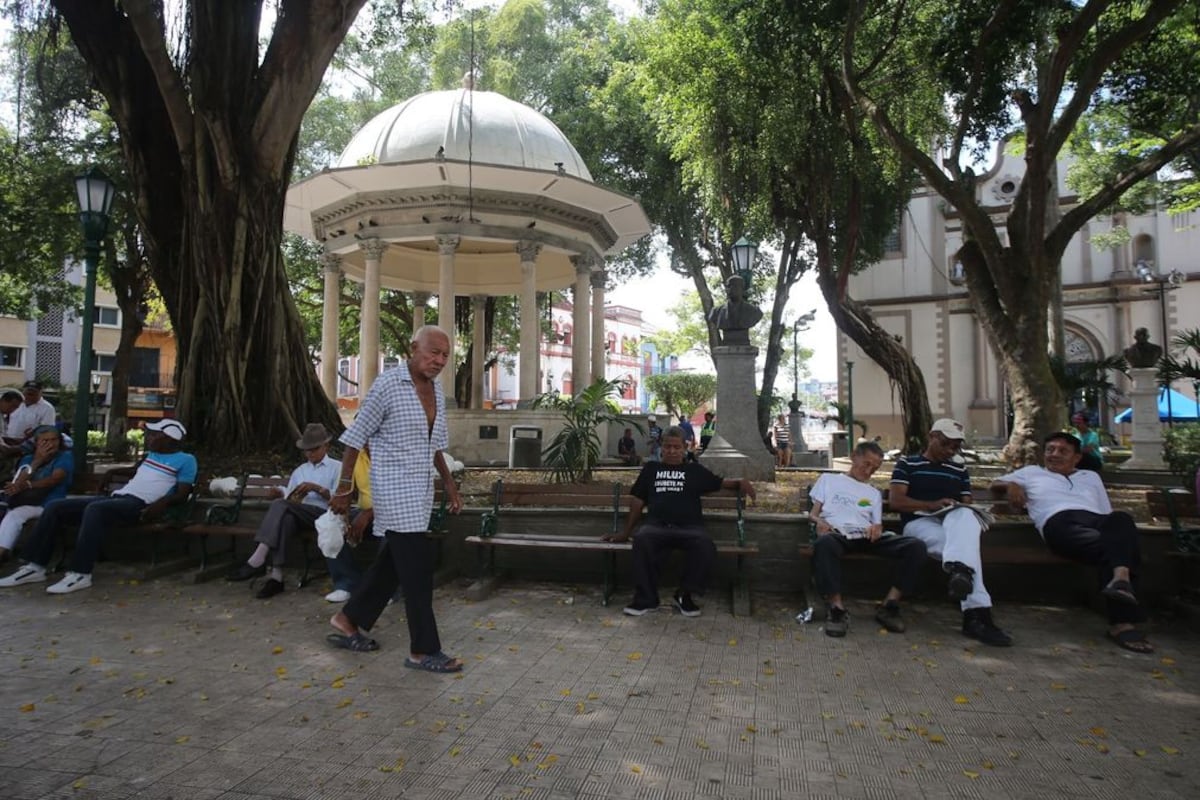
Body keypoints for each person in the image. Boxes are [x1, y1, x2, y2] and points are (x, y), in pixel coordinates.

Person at [326, 325, 464, 670]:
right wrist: (344, 487)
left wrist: (449, 484)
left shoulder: (436, 390)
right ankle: (423, 650)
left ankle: (348, 618)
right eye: (433, 352)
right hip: (393, 490)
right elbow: (354, 438)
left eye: (445, 355)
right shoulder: (387, 385)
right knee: (417, 571)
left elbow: (435, 445)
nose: (440, 360)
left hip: (420, 491)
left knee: (392, 564)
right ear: (413, 348)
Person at [991, 432, 1153, 653]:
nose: (1054, 454)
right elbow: (995, 483)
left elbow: (1106, 512)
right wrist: (1012, 485)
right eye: (1050, 450)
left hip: (1095, 521)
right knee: (1118, 550)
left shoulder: (1090, 476)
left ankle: (1120, 580)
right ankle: (1122, 619)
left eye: (1063, 451)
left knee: (1121, 520)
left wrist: (1113, 531)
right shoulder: (1031, 473)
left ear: (1077, 457)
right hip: (1060, 524)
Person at [0, 419, 195, 594]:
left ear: (170, 438)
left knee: (95, 510)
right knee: (56, 507)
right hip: (119, 499)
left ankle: (80, 573)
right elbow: (134, 471)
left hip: (140, 506)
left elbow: (182, 493)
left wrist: (162, 503)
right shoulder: (151, 455)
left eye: (154, 435)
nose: (148, 438)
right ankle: (35, 567)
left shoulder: (186, 460)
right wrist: (110, 473)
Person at [605, 426, 756, 617]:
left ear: (685, 448)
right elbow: (638, 501)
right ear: (661, 447)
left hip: (690, 528)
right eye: (667, 447)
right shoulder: (651, 469)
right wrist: (626, 532)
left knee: (705, 546)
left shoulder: (694, 470)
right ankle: (646, 598)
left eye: (676, 447)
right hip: (656, 527)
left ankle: (684, 595)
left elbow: (720, 483)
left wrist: (740, 482)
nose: (672, 451)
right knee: (641, 540)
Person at [888, 418, 1012, 646]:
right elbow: (896, 501)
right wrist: (931, 505)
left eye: (955, 446)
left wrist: (955, 506)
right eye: (945, 444)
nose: (950, 450)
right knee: (967, 553)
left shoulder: (959, 468)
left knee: (965, 515)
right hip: (919, 522)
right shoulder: (908, 463)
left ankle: (962, 577)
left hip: (953, 524)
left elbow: (967, 502)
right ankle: (979, 615)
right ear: (931, 437)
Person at [810, 441, 927, 637]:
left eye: (875, 468)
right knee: (824, 544)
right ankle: (836, 608)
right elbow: (813, 514)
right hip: (838, 534)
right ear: (854, 457)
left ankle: (889, 604)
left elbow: (877, 524)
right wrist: (820, 522)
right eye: (866, 464)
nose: (869, 471)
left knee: (916, 547)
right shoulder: (828, 480)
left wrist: (876, 528)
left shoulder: (873, 493)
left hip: (866, 536)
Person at [226, 422, 341, 599]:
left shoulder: (337, 467)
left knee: (281, 506)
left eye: (314, 449)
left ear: (326, 446)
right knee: (284, 520)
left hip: (324, 514)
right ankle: (276, 577)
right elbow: (290, 497)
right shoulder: (300, 471)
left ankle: (257, 558)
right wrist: (279, 492)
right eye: (307, 450)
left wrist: (317, 489)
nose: (310, 454)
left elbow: (340, 499)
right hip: (299, 514)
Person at [0, 426, 74, 564]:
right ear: (36, 442)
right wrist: (37, 461)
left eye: (54, 440)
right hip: (23, 501)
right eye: (45, 440)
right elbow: (18, 483)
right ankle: (5, 551)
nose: (50, 444)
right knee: (8, 512)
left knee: (15, 515)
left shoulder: (64, 457)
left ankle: (2, 552)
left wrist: (28, 485)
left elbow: (55, 479)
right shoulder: (28, 459)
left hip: (49, 503)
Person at [323, 442, 378, 603]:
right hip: (363, 510)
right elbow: (348, 492)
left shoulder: (391, 453)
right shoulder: (356, 456)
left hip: (395, 511)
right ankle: (346, 584)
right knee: (332, 525)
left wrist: (369, 514)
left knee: (392, 534)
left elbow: (398, 494)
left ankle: (388, 589)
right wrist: (344, 516)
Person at [1, 381, 57, 454]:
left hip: (29, 446)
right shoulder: (16, 403)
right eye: (28, 392)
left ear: (40, 393)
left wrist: (33, 433)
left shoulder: (47, 408)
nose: (30, 395)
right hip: (7, 440)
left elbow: (47, 430)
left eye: (33, 393)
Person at [707, 274, 764, 346]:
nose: (732, 289)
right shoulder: (716, 312)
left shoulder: (754, 311)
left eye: (736, 286)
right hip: (726, 343)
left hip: (744, 343)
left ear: (742, 289)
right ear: (726, 290)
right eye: (729, 286)